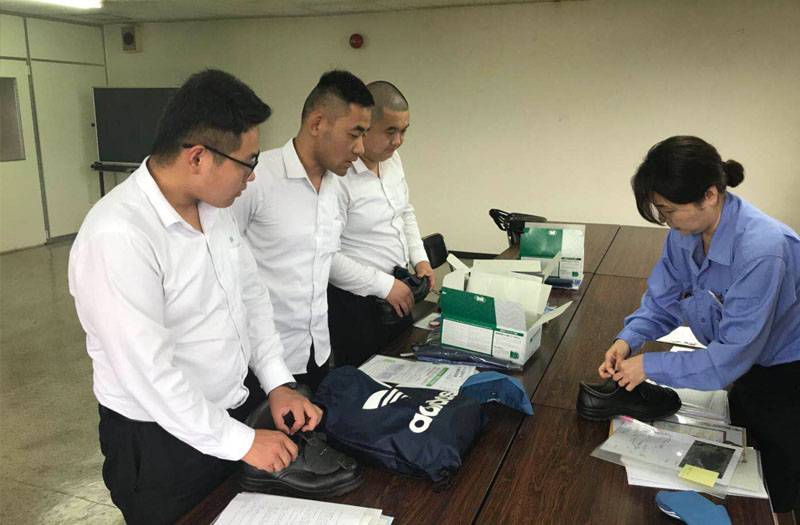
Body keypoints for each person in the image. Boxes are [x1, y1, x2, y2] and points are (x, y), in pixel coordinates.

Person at [68, 70, 322, 525]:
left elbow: (251, 299)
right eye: (247, 162)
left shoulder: (215, 209)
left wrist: (277, 383)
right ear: (199, 157)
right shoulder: (118, 235)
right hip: (159, 443)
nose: (252, 176)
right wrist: (242, 442)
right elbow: (149, 375)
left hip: (228, 418)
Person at [597, 136, 800, 517]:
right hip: (744, 362)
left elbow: (728, 359)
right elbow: (664, 299)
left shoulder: (761, 249)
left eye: (669, 210)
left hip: (786, 373)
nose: (665, 220)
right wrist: (629, 339)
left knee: (772, 482)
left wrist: (649, 366)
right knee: (738, 457)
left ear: (709, 195)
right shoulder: (685, 234)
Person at [231, 70, 373, 389]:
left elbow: (326, 258)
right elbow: (222, 264)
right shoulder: (257, 179)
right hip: (258, 361)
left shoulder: (336, 185)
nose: (361, 148)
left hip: (316, 352)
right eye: (354, 134)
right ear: (318, 123)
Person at [327, 81, 434, 367]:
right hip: (357, 303)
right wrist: (384, 285)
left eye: (404, 131)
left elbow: (405, 213)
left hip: (399, 291)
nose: (398, 141)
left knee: (404, 367)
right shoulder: (338, 176)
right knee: (364, 381)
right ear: (365, 126)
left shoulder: (393, 160)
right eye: (390, 131)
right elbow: (328, 257)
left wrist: (420, 259)